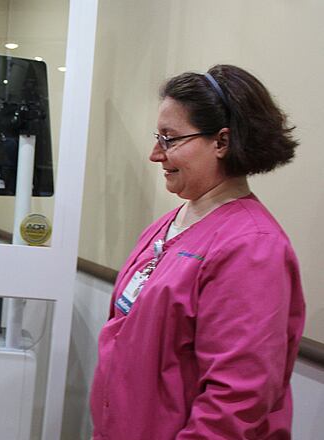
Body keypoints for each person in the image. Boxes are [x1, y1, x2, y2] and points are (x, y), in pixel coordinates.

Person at [90, 64, 305, 439]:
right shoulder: (171, 223)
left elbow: (236, 398)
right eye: (158, 136)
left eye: (170, 139)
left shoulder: (252, 247)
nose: (156, 154)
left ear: (221, 142)